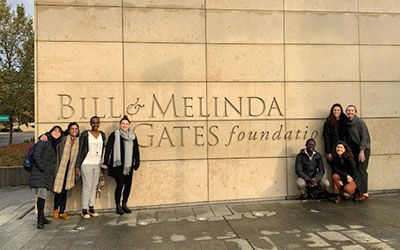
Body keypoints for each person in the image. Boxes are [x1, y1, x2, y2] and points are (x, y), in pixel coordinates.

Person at [104, 115, 140, 215]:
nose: (124, 125)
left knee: (128, 185)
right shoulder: (114, 135)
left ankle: (124, 203)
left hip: (128, 166)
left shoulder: (133, 136)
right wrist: (105, 162)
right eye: (123, 123)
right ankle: (117, 205)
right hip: (118, 165)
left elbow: (136, 149)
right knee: (120, 185)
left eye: (126, 124)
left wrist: (137, 162)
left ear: (129, 125)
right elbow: (108, 148)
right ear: (120, 125)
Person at [29, 126, 62, 229]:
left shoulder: (54, 143)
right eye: (54, 131)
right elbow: (36, 155)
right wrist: (44, 168)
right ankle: (39, 220)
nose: (57, 133)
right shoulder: (44, 141)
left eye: (59, 132)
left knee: (42, 196)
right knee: (41, 196)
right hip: (40, 173)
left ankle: (42, 217)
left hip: (46, 174)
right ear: (50, 131)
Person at [76, 116, 106, 219]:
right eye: (93, 122)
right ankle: (84, 210)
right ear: (90, 123)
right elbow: (80, 150)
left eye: (97, 122)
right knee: (87, 186)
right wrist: (77, 165)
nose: (95, 124)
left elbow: (104, 149)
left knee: (94, 186)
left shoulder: (102, 134)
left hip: (97, 163)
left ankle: (91, 207)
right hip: (86, 163)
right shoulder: (85, 134)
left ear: (99, 123)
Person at [52, 122, 80, 220]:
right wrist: (43, 136)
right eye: (72, 129)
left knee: (65, 191)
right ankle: (55, 209)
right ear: (68, 130)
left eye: (76, 129)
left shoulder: (77, 141)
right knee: (59, 190)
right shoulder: (63, 138)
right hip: (61, 168)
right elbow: (51, 136)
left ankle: (62, 211)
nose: (74, 130)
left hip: (70, 169)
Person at [346, 105, 371, 201]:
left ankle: (365, 193)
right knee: (356, 170)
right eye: (348, 110)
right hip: (355, 149)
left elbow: (364, 137)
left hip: (363, 149)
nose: (350, 112)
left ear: (355, 112)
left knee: (362, 170)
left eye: (352, 110)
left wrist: (362, 151)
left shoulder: (360, 123)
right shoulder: (348, 123)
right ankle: (358, 192)